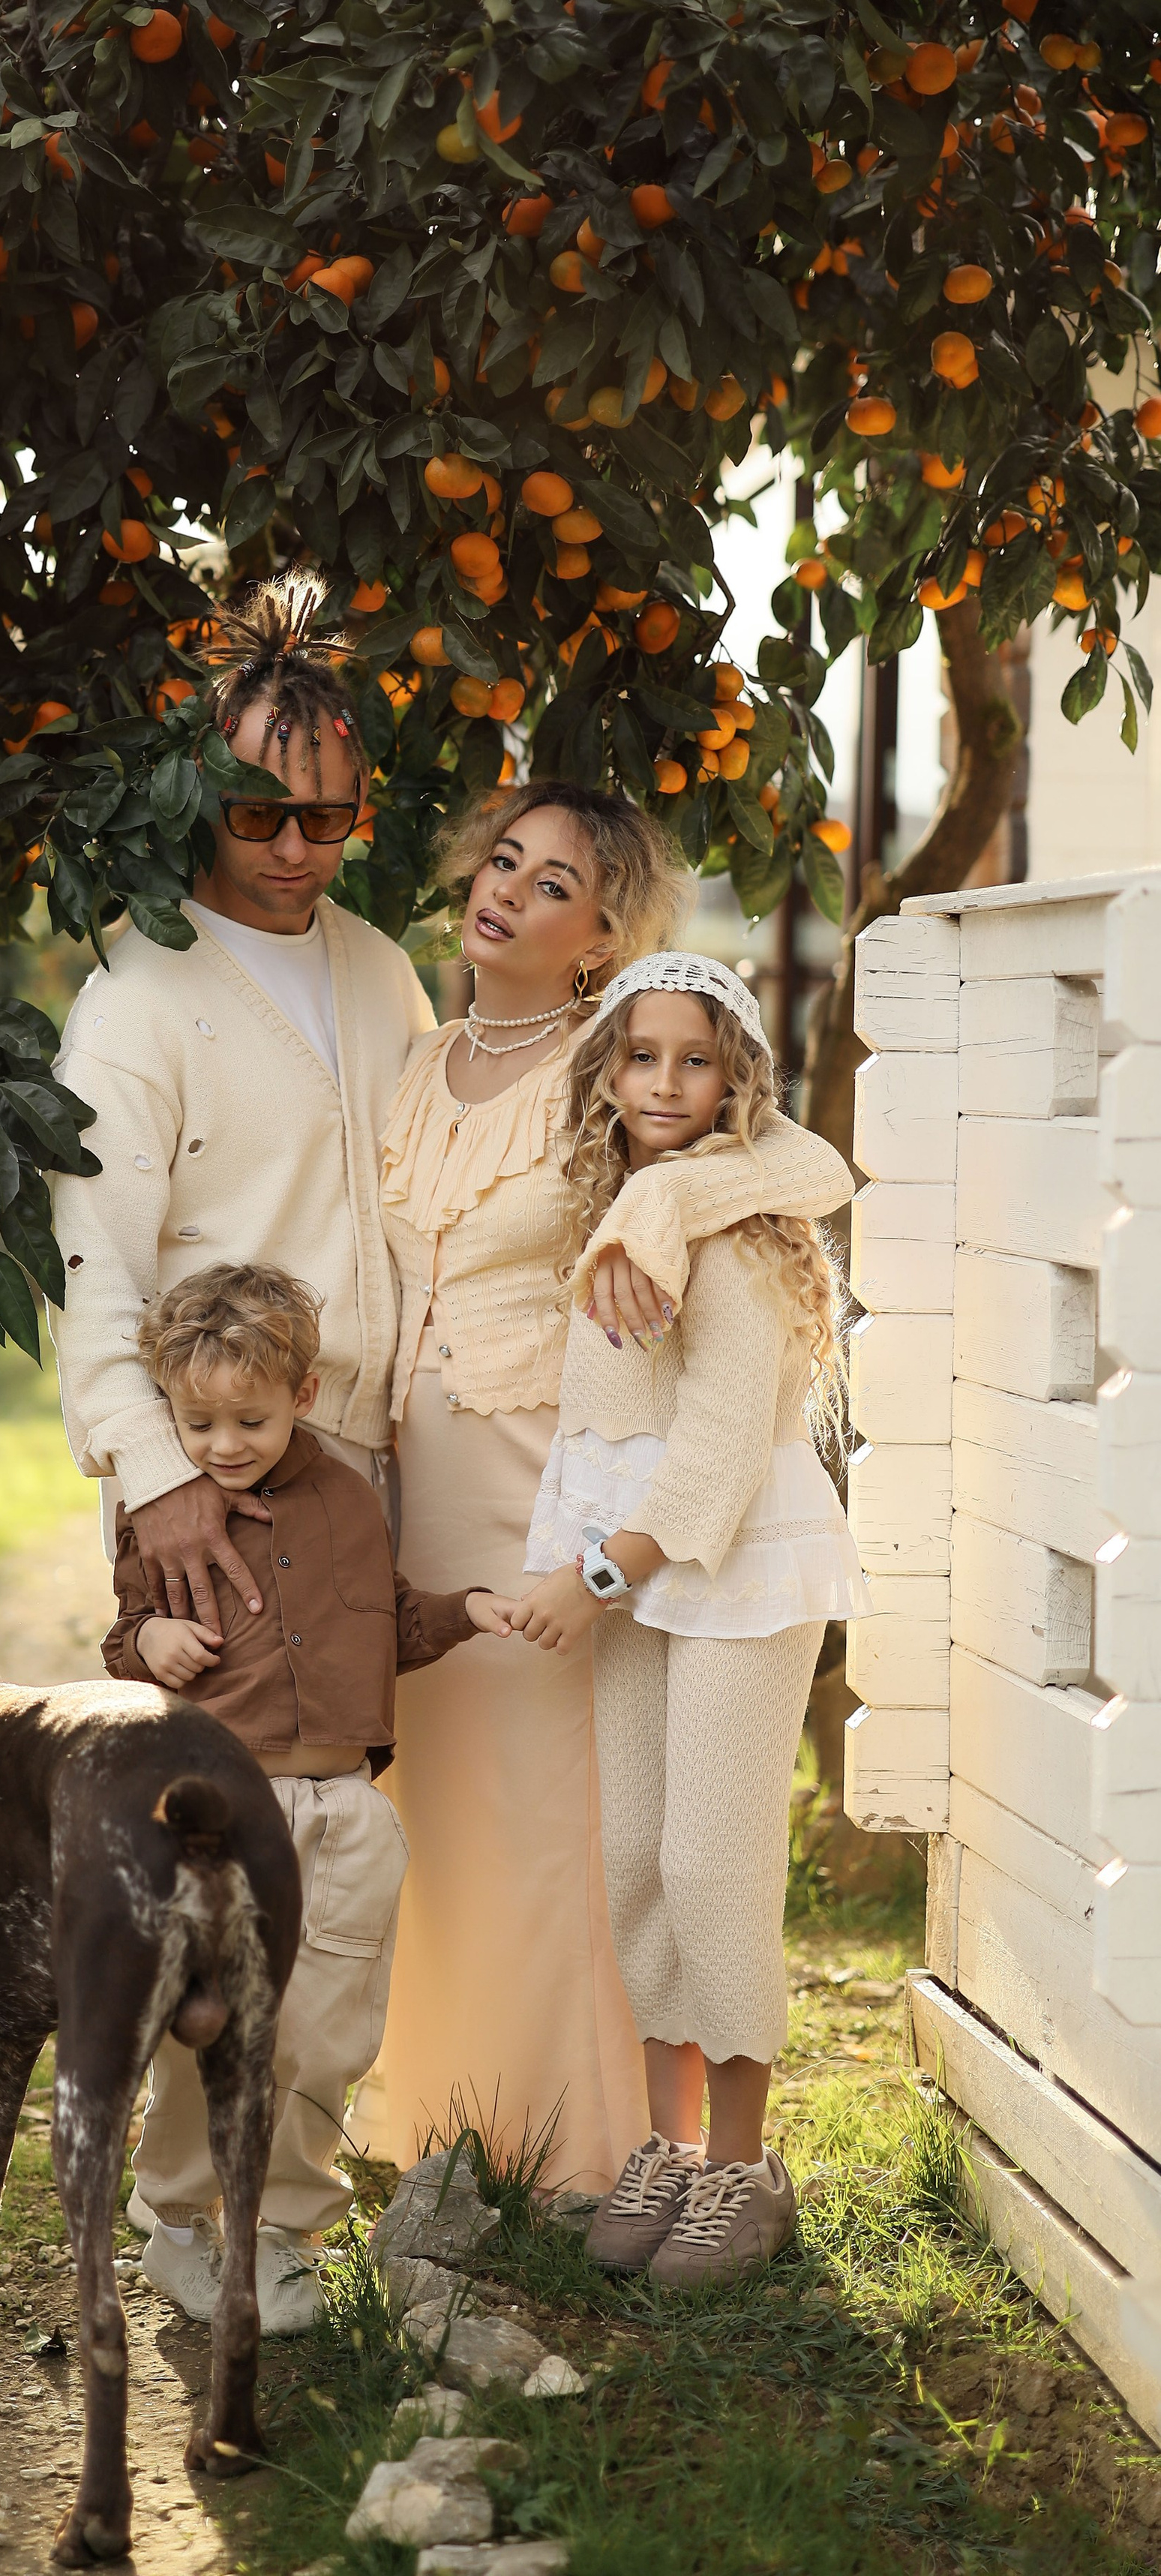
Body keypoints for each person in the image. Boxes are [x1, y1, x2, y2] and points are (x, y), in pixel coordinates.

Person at [367, 783, 854, 2196]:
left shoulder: (631, 1064)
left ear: (604, 936)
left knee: (637, 1837)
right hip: (477, 1477)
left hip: (596, 1491)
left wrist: (668, 1200)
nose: (507, 888)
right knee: (530, 1827)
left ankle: (661, 2155)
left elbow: (796, 1164)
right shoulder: (425, 1059)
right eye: (499, 857)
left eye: (554, 881)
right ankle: (509, 2127)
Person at [514, 953, 866, 2284]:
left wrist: (586, 1578)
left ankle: (741, 2168)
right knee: (639, 1866)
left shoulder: (737, 1234)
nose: (666, 1084)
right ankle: (663, 2147)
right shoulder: (622, 1217)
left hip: (729, 1572)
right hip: (638, 1570)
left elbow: (718, 1457)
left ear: (737, 1082)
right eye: (641, 1057)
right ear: (607, 1072)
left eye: (697, 1060)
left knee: (717, 1868)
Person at [100, 1262, 519, 2331]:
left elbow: (386, 1621)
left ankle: (282, 2230)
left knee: (327, 2031)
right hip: (225, 1816)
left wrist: (466, 1609)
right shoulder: (165, 1516)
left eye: (248, 1418)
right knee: (215, 2021)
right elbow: (119, 1637)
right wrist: (153, 1637)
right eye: (197, 1422)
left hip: (347, 1811)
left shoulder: (349, 1500)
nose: (224, 1443)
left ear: (301, 1394)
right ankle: (182, 2226)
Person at [49, 578, 435, 1620]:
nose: (296, 850)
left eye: (327, 818)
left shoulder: (383, 970)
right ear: (202, 796)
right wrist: (155, 1477)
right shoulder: (136, 1001)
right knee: (222, 1777)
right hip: (213, 1475)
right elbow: (89, 1264)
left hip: (377, 1458)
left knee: (352, 1775)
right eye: (259, 813)